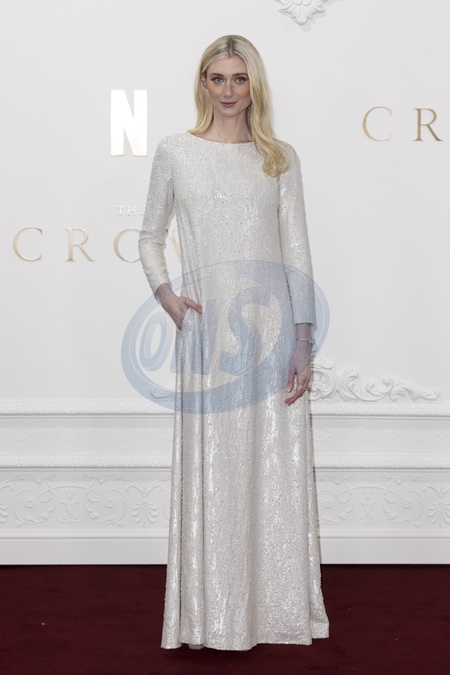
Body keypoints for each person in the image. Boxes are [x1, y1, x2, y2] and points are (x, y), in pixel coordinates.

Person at [138, 34, 329, 651]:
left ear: (254, 86)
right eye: (217, 78)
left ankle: (275, 612)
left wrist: (303, 339)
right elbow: (148, 236)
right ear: (203, 83)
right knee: (215, 472)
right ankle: (211, 617)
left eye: (239, 79)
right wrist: (167, 297)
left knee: (272, 472)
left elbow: (297, 250)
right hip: (208, 335)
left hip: (273, 335)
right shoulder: (175, 151)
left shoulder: (279, 158)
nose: (228, 91)